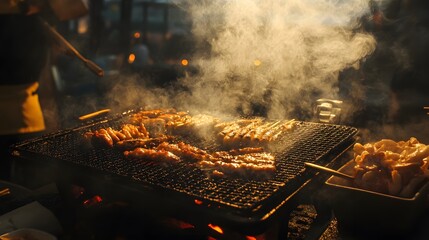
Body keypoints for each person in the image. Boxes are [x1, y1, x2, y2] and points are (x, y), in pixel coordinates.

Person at [0, 0, 87, 182]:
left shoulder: (31, 9)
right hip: (27, 117)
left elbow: (77, 8)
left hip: (28, 115)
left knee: (33, 190)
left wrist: (44, 8)